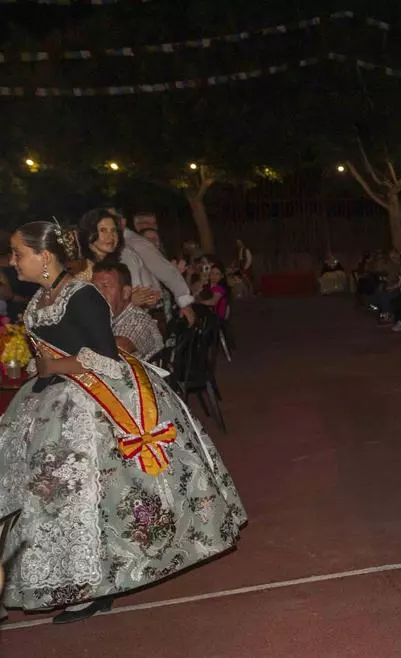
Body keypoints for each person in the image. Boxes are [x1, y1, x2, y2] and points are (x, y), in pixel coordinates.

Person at [0, 221, 246, 624]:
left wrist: (53, 366)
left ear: (43, 256)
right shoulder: (40, 299)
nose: (13, 262)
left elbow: (107, 360)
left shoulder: (82, 296)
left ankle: (90, 588)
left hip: (92, 403)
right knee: (48, 494)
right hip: (48, 401)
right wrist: (37, 367)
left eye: (18, 253)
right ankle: (64, 578)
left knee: (78, 493)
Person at [107, 209, 196, 325]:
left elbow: (165, 271)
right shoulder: (111, 245)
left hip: (146, 313)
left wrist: (185, 302)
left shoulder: (135, 242)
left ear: (123, 222)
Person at [91, 262, 164, 357]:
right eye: (94, 287)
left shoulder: (138, 320)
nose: (97, 293)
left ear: (125, 292)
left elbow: (118, 347)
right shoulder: (101, 318)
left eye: (106, 286)